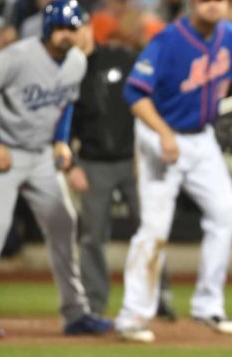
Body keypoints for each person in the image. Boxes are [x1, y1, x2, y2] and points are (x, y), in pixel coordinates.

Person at [115, 0, 232, 343]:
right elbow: (134, 93)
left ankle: (208, 305)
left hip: (202, 140)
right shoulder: (169, 40)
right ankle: (132, 316)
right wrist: (164, 134)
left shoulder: (230, 36)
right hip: (160, 136)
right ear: (193, 2)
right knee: (154, 231)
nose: (214, 3)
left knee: (226, 215)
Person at [0, 0, 112, 338]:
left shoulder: (76, 62)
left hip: (40, 154)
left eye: (71, 28)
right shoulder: (20, 55)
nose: (65, 35)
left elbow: (66, 104)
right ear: (47, 29)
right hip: (2, 153)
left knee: (64, 224)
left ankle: (75, 313)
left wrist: (61, 140)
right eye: (59, 28)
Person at [67, 24, 177, 321]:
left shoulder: (120, 57)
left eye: (76, 29)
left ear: (88, 30)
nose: (73, 36)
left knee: (152, 227)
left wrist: (150, 150)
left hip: (133, 160)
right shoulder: (67, 74)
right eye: (66, 31)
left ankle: (159, 295)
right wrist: (71, 165)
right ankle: (93, 302)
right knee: (92, 236)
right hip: (92, 163)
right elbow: (62, 123)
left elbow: (148, 97)